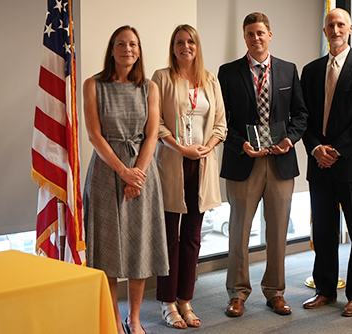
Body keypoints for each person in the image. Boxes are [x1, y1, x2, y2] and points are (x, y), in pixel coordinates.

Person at [218, 12, 308, 317]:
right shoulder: (228, 73)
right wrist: (239, 144)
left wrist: (290, 140)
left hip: (280, 162)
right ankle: (238, 293)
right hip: (244, 161)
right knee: (239, 232)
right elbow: (221, 120)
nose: (255, 38)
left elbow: (301, 115)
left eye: (260, 33)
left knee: (278, 232)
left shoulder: (287, 70)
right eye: (250, 34)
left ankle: (275, 292)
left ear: (270, 34)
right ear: (244, 38)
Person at [82, 26, 169, 334]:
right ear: (112, 49)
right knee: (106, 248)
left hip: (143, 174)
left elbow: (151, 134)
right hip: (107, 172)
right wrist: (123, 171)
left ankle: (134, 317)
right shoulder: (92, 84)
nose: (127, 49)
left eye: (133, 44)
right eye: (121, 44)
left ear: (139, 50)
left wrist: (138, 176)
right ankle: (113, 319)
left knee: (139, 246)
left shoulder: (150, 87)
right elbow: (94, 134)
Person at [300, 8, 352, 317]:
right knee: (323, 231)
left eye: (340, 24)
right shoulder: (310, 71)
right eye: (330, 25)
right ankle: (324, 289)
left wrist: (335, 150)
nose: (335, 29)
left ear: (350, 28)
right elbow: (302, 117)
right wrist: (316, 148)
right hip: (319, 164)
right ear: (324, 31)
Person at [152, 24, 227, 329]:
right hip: (172, 163)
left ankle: (185, 299)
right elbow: (154, 121)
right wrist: (180, 148)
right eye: (180, 42)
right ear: (173, 47)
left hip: (202, 164)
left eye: (191, 42)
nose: (186, 46)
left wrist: (205, 148)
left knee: (193, 238)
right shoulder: (161, 77)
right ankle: (168, 303)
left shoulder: (210, 80)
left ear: (197, 46)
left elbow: (221, 123)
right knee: (169, 236)